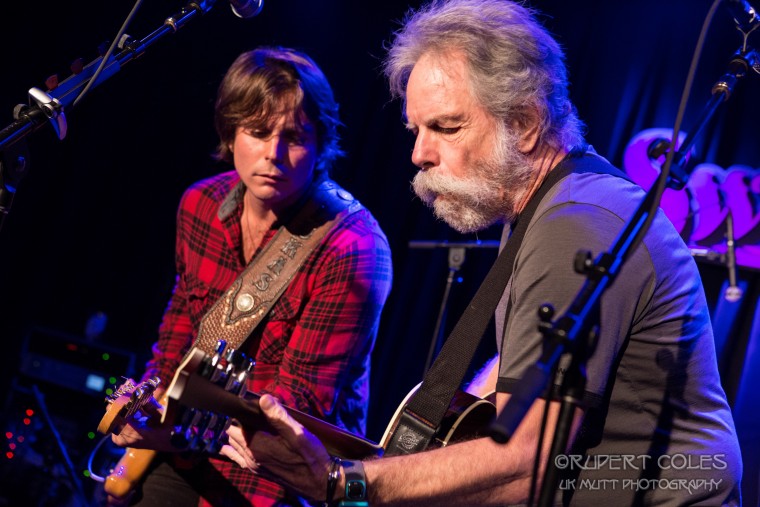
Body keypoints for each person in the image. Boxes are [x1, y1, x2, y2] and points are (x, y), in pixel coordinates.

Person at [221, 1, 743, 505]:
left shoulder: (576, 223)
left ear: (525, 123)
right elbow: (535, 359)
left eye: (446, 127)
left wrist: (343, 481)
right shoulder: (553, 203)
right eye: (416, 130)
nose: (419, 153)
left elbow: (527, 460)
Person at [108, 46, 393, 506]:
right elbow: (178, 338)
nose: (273, 154)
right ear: (230, 131)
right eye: (258, 133)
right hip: (188, 445)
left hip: (281, 470)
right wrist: (145, 409)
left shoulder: (353, 247)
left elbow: (297, 407)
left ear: (322, 143)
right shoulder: (199, 205)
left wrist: (186, 428)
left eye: (295, 137)